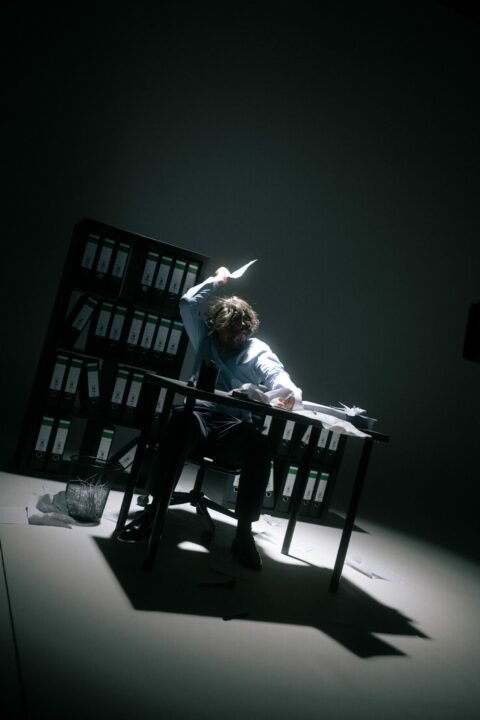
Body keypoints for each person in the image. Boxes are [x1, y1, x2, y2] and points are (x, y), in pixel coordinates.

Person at [119, 266, 302, 571]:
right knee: (179, 422)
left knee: (259, 446)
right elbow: (187, 303)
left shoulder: (257, 350)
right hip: (197, 417)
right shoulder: (206, 339)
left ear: (249, 329)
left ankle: (243, 534)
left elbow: (281, 379)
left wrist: (284, 395)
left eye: (242, 333)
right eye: (229, 334)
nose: (235, 339)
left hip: (231, 427)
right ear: (217, 328)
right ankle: (155, 511)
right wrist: (217, 281)